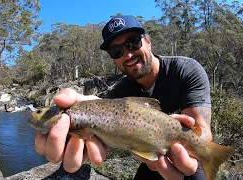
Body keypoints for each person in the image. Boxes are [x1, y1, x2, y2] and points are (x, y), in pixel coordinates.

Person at [35, 15, 212, 180]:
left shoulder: (185, 70)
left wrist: (189, 139)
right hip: (152, 160)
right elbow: (100, 121)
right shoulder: (121, 93)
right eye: (117, 51)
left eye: (134, 42)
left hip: (189, 158)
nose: (128, 54)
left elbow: (202, 131)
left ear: (148, 42)